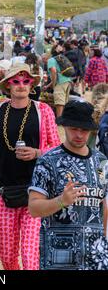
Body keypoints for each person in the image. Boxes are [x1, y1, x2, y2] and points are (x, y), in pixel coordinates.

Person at [0, 63, 60, 270]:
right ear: (7, 86)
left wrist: (37, 153)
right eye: (16, 81)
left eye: (26, 81)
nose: (21, 85)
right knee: (6, 254)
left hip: (37, 192)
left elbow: (58, 149)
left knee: (30, 254)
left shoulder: (43, 111)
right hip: (5, 191)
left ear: (31, 84)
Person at [29, 100, 108, 270]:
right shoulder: (48, 161)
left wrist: (103, 239)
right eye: (74, 129)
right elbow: (33, 208)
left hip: (96, 257)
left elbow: (104, 204)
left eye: (84, 130)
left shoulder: (101, 161)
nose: (79, 135)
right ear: (64, 126)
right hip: (59, 257)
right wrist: (61, 201)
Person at [45, 46, 73, 118]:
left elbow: (54, 72)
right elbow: (57, 74)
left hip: (60, 83)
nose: (43, 60)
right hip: (67, 81)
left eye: (43, 58)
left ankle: (59, 120)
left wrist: (54, 85)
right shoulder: (56, 59)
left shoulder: (50, 60)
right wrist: (48, 86)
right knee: (64, 101)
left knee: (59, 102)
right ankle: (63, 119)